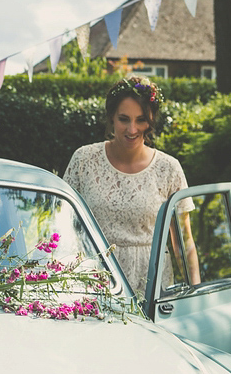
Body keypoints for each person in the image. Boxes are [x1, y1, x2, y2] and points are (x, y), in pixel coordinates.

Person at [63, 76, 199, 298]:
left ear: (152, 119)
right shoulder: (83, 159)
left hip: (152, 284)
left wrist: (196, 295)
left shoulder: (169, 168)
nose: (132, 129)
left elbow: (184, 241)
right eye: (124, 119)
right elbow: (65, 226)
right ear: (111, 118)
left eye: (141, 119)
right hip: (94, 281)